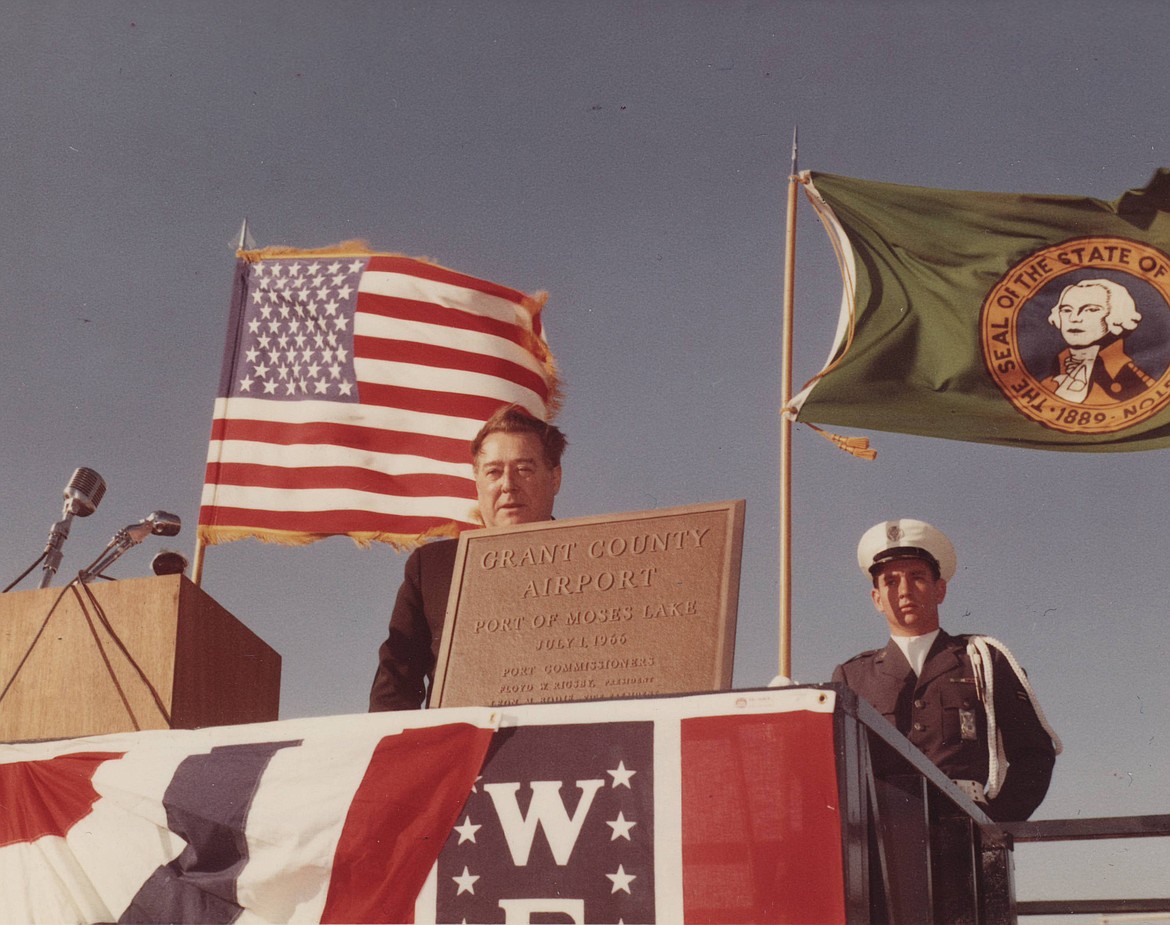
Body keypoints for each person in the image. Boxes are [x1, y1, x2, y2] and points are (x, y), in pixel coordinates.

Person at [832, 518, 1060, 822]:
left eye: (917, 577)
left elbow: (1034, 754)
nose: (904, 591)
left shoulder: (983, 660)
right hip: (881, 834)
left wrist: (996, 825)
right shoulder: (853, 677)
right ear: (877, 600)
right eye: (890, 581)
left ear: (940, 590)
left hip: (964, 829)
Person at [368, 404, 567, 711]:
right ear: (477, 481)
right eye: (493, 472)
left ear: (555, 479)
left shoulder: (592, 558)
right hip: (463, 751)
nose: (508, 485)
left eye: (524, 469)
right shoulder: (431, 568)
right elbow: (395, 684)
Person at [1042, 278, 1154, 404]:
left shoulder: (1136, 381)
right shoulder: (1046, 380)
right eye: (1066, 310)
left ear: (1115, 316)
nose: (1074, 318)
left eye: (1091, 310)